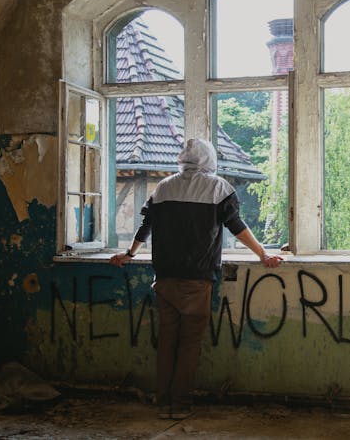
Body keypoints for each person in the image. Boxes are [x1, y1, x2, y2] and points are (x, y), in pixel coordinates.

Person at [110, 138, 283, 420]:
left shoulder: (164, 188)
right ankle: (180, 404)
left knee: (167, 341)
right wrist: (263, 254)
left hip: (164, 277)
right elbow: (237, 227)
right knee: (189, 344)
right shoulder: (218, 188)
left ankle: (162, 401)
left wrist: (129, 253)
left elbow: (146, 226)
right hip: (196, 279)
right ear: (210, 160)